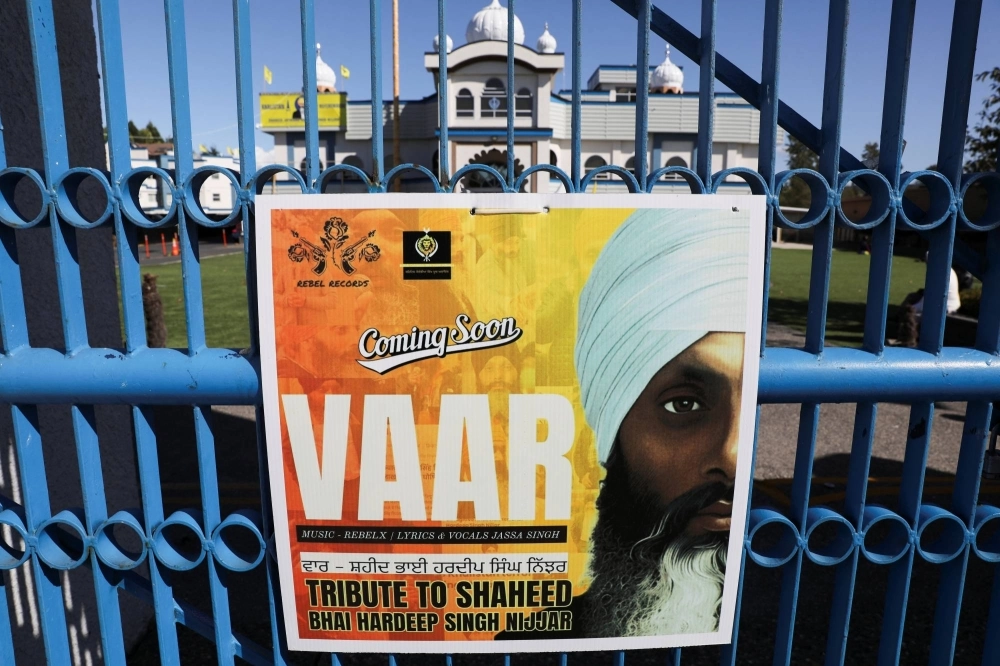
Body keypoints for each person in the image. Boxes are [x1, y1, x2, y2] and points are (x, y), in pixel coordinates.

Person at [498, 208, 749, 640]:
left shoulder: (797, 615)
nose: (733, 456)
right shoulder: (528, 636)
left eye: (754, 400)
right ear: (611, 419)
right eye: (683, 405)